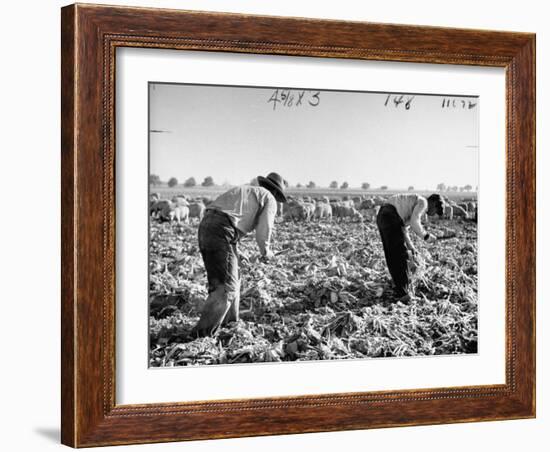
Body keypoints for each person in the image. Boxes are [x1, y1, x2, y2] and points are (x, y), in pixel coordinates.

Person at [191, 172, 287, 337]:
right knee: (225, 288)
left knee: (235, 276)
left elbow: (225, 218)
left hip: (207, 225)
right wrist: (266, 252)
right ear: (277, 193)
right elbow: (265, 229)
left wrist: (236, 251)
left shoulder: (247, 191)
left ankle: (231, 323)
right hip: (222, 231)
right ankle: (200, 335)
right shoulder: (269, 198)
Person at [376, 193, 444, 302]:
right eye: (436, 211)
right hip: (390, 215)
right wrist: (426, 236)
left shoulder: (412, 204)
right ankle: (404, 294)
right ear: (434, 203)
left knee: (392, 254)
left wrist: (411, 247)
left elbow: (403, 229)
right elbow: (414, 222)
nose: (434, 214)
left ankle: (399, 289)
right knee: (400, 255)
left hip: (382, 216)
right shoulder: (423, 202)